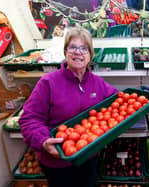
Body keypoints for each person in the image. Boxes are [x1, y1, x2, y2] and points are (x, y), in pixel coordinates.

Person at [19, 26, 118, 187]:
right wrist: (43, 141)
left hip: (88, 155)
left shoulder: (98, 83)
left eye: (83, 48)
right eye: (72, 47)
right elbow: (30, 118)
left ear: (90, 55)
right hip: (57, 159)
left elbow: (119, 102)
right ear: (65, 52)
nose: (77, 52)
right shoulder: (48, 83)